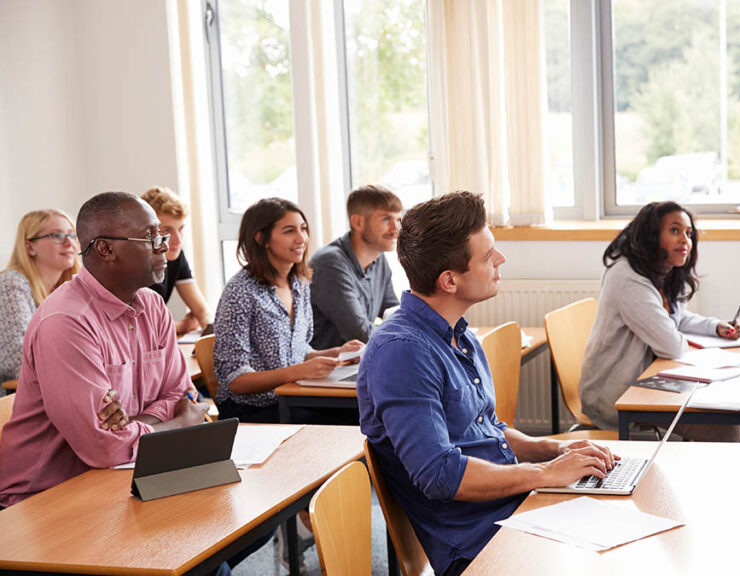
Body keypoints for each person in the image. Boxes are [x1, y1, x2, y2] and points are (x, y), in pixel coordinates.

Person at [358, 191, 616, 576]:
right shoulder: (402, 353)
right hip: (478, 544)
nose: (500, 260)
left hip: (515, 510)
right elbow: (440, 474)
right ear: (449, 280)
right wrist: (545, 475)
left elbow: (486, 430)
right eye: (487, 255)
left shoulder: (460, 335)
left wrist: (550, 451)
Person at [0, 192, 209, 506]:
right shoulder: (66, 321)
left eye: (161, 235)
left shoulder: (152, 305)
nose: (164, 245)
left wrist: (132, 424)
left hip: (122, 473)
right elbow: (102, 446)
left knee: (231, 523)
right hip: (44, 496)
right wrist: (180, 424)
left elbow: (183, 395)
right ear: (107, 249)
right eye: (150, 237)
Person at [579, 201, 740, 442]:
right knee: (724, 430)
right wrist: (678, 334)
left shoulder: (661, 270)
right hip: (618, 393)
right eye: (675, 230)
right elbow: (671, 345)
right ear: (651, 235)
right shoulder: (628, 278)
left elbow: (675, 319)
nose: (685, 240)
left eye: (689, 233)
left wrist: (714, 326)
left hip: (653, 381)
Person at [213, 197, 362, 423]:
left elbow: (298, 351)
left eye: (303, 229)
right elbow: (236, 380)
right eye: (289, 231)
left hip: (291, 400)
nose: (301, 238)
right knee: (356, 418)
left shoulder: (299, 284)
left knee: (369, 412)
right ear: (261, 238)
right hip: (252, 410)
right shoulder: (240, 292)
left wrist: (336, 353)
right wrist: (298, 371)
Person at [310, 185, 401, 348]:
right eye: (386, 219)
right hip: (331, 369)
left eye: (398, 220)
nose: (396, 229)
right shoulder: (330, 263)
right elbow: (360, 333)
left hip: (357, 362)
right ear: (358, 222)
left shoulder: (378, 258)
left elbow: (395, 314)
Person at [0, 210, 80, 383]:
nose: (69, 243)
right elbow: (17, 360)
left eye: (72, 235)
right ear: (29, 247)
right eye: (57, 235)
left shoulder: (68, 290)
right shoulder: (10, 284)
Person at [140, 186, 211, 335]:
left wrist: (210, 329)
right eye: (167, 231)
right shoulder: (135, 266)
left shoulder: (176, 256)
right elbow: (145, 328)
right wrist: (183, 326)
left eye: (180, 229)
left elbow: (202, 312)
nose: (178, 240)